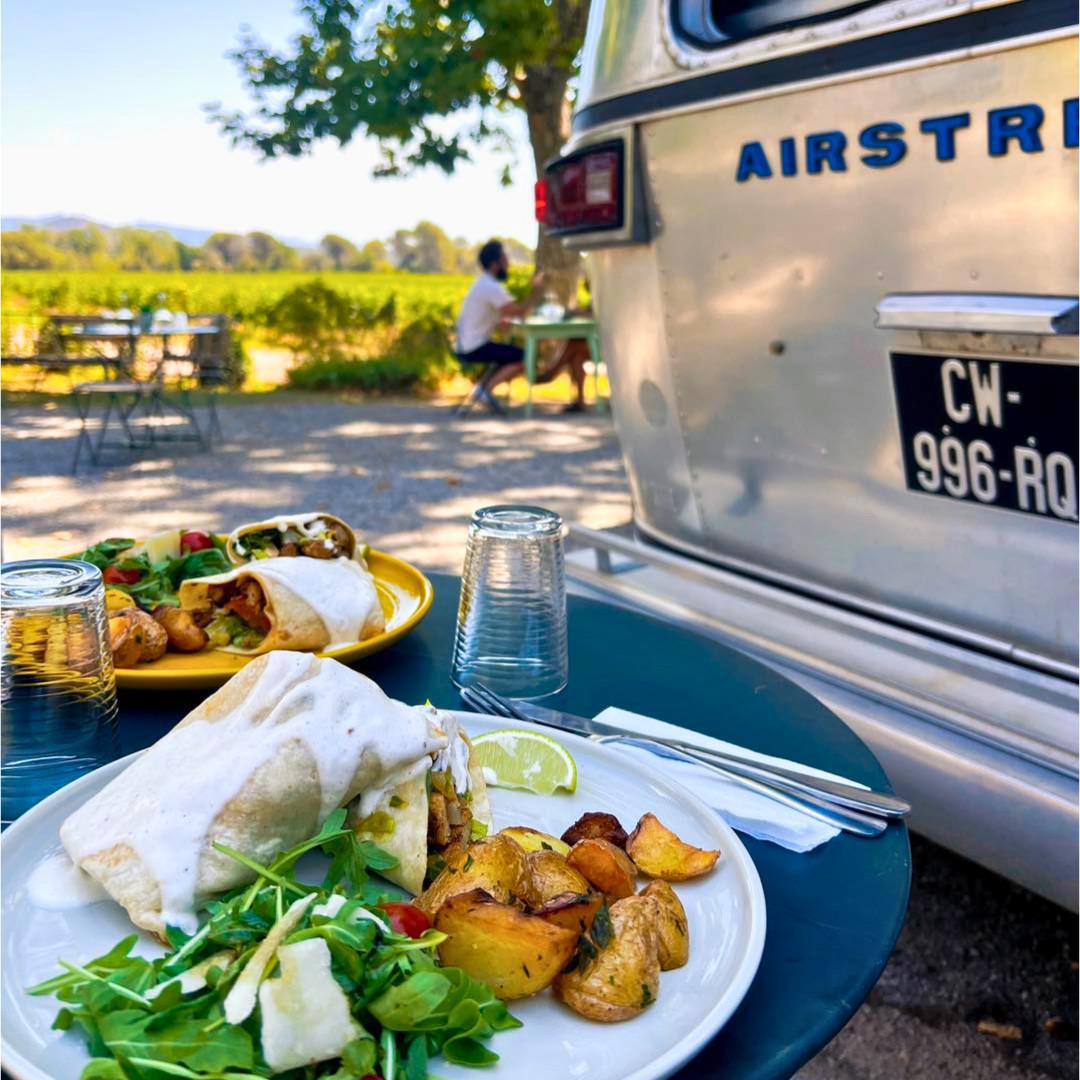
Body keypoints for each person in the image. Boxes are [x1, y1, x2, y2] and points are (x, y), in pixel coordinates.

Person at [455, 240, 543, 411]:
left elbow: (503, 320)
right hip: (473, 346)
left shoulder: (483, 283)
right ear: (495, 264)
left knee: (512, 353)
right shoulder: (490, 286)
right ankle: (484, 390)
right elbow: (520, 312)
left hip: (466, 344)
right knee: (524, 357)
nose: (508, 264)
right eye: (505, 260)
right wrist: (536, 290)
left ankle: (482, 389)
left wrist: (503, 321)